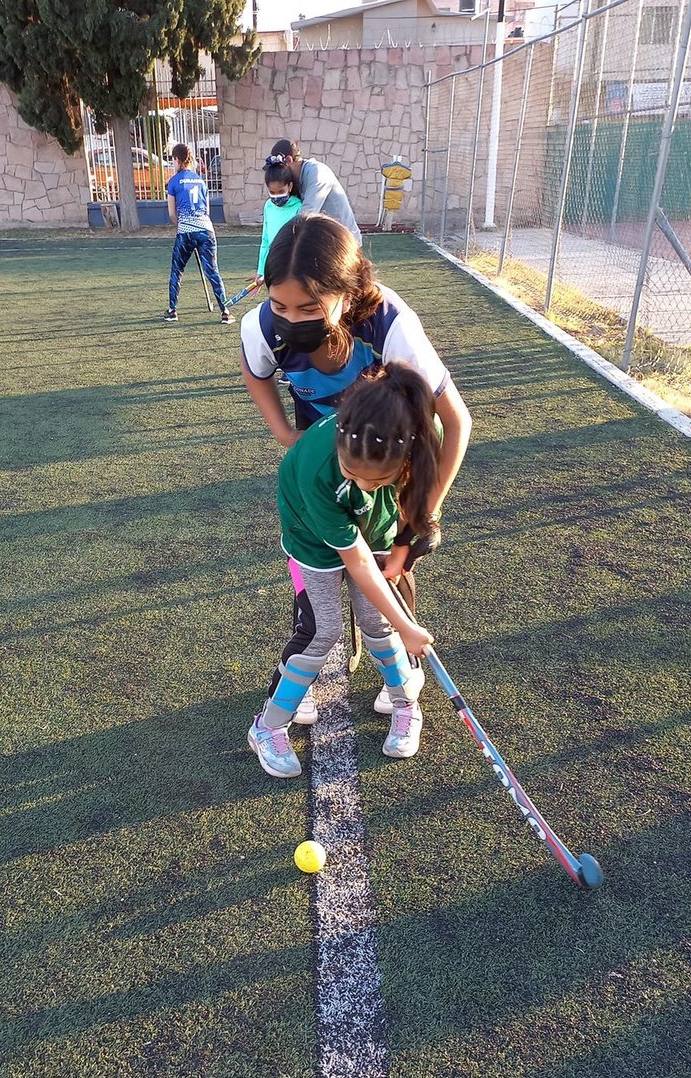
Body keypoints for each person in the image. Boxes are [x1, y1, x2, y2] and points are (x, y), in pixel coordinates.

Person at [239, 212, 472, 724]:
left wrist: (423, 518)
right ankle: (306, 668)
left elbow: (456, 422)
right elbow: (254, 370)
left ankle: (401, 672)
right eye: (280, 305)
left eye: (309, 307)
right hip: (324, 468)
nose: (292, 318)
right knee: (319, 580)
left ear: (347, 293)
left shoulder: (390, 325)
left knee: (388, 571)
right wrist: (285, 434)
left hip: (389, 466)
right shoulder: (261, 326)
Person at [248, 363, 438, 779]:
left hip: (377, 526)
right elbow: (356, 561)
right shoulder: (319, 469)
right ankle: (267, 727)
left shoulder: (420, 430)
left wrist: (403, 547)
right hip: (312, 536)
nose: (361, 484)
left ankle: (405, 702)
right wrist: (406, 625)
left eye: (377, 479)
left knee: (377, 622)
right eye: (351, 473)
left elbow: (425, 491)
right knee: (323, 631)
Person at [164, 143, 233, 324]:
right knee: (213, 271)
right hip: (206, 230)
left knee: (177, 271)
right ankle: (225, 311)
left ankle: (172, 311)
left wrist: (184, 228)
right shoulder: (201, 181)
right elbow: (206, 211)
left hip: (186, 231)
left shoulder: (173, 182)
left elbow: (172, 214)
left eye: (173, 160)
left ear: (177, 160)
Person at [268, 138, 361, 243]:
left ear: (289, 160)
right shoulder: (295, 180)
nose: (279, 175)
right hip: (325, 242)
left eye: (280, 169)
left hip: (346, 243)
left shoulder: (317, 172)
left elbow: (306, 215)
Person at [250, 154, 302, 286]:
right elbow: (266, 240)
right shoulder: (268, 206)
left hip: (293, 267)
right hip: (275, 265)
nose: (276, 196)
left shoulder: (299, 208)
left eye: (281, 191)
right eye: (272, 192)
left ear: (289, 187)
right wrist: (261, 271)